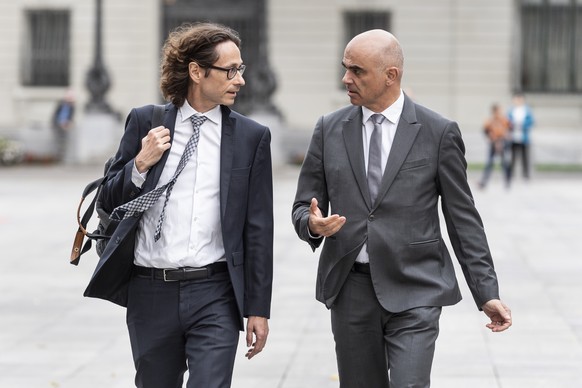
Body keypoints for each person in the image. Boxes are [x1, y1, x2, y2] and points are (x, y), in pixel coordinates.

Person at [292, 29, 512, 388]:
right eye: (345, 67)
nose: (346, 78)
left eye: (357, 70)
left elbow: (463, 219)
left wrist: (486, 292)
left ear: (390, 75)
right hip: (351, 289)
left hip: (416, 286)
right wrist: (312, 225)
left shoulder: (438, 132)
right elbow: (304, 205)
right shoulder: (328, 129)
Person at [83, 22, 274, 388]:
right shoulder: (146, 121)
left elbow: (258, 228)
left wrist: (258, 309)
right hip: (150, 290)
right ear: (196, 72)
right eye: (230, 70)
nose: (240, 80)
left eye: (241, 69)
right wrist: (140, 163)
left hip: (215, 291)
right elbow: (108, 200)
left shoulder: (252, 138)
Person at [478, 103, 511, 189]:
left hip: (502, 142)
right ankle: (484, 182)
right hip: (493, 143)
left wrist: (505, 137)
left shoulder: (504, 120)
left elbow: (509, 129)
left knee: (504, 163)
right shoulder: (490, 121)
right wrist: (492, 139)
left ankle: (507, 181)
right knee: (489, 163)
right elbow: (485, 131)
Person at [507, 92, 535, 180]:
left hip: (523, 137)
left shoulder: (526, 110)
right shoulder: (511, 110)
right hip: (513, 136)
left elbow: (531, 121)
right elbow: (507, 121)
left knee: (525, 156)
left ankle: (526, 174)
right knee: (513, 156)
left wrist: (522, 125)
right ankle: (511, 173)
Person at [51, 89, 75, 161]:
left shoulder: (72, 107)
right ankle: (58, 156)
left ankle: (61, 156)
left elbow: (70, 117)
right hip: (58, 125)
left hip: (65, 126)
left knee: (63, 141)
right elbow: (56, 115)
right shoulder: (61, 104)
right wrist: (59, 123)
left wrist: (67, 123)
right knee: (59, 141)